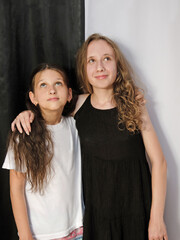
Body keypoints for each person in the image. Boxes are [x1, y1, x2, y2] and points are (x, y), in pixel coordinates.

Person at [11, 34, 168, 240]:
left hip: (138, 211)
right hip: (97, 219)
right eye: (91, 61)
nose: (99, 67)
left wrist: (157, 218)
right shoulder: (77, 105)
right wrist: (29, 113)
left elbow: (159, 163)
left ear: (117, 65)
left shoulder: (134, 106)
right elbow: (50, 106)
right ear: (84, 69)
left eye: (107, 59)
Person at [3, 63, 83, 240]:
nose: (52, 90)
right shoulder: (23, 133)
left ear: (69, 94)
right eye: (43, 85)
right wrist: (25, 236)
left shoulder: (74, 126)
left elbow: (97, 98)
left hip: (77, 230)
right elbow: (16, 189)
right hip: (40, 234)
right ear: (33, 97)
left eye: (58, 84)